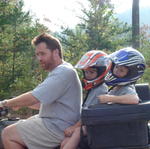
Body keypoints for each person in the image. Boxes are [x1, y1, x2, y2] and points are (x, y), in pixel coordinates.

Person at [0, 33, 82, 149]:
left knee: (8, 134)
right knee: (19, 125)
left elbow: (33, 97)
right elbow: (42, 102)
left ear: (56, 52)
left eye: (43, 54)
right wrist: (19, 104)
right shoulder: (62, 70)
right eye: (37, 54)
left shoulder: (63, 72)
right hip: (56, 122)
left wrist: (5, 103)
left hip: (57, 126)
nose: (39, 58)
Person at [60, 50, 112, 149]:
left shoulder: (100, 90)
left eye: (91, 72)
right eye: (86, 72)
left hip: (95, 127)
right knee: (64, 143)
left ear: (102, 71)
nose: (87, 75)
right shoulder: (94, 88)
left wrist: (74, 127)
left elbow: (89, 113)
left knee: (69, 140)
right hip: (89, 125)